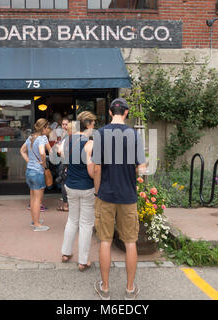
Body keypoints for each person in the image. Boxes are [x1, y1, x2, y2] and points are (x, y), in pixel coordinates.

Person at [92, 98, 146, 300]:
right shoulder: (134, 135)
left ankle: (105, 289)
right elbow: (141, 168)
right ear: (126, 113)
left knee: (105, 241)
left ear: (109, 112)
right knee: (131, 242)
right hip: (128, 195)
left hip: (106, 194)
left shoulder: (100, 134)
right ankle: (130, 290)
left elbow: (96, 168)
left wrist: (98, 191)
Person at [60, 111, 97, 271]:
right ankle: (83, 261)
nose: (94, 127)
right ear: (88, 124)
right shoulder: (90, 144)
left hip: (70, 186)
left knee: (72, 220)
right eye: (93, 124)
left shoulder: (68, 140)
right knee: (86, 224)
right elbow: (91, 172)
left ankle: (66, 253)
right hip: (86, 187)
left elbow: (61, 155)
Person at [20, 118, 51, 232]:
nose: (48, 129)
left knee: (33, 198)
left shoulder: (30, 138)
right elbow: (42, 152)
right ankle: (37, 224)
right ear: (43, 128)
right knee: (38, 199)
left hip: (29, 171)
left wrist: (29, 161)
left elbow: (22, 150)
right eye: (47, 127)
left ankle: (34, 220)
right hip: (37, 172)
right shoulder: (42, 139)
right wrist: (43, 163)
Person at [56, 120, 72, 212]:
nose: (65, 126)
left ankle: (66, 205)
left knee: (63, 183)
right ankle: (67, 203)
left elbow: (60, 152)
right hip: (65, 161)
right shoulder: (61, 135)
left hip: (66, 162)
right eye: (63, 124)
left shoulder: (68, 137)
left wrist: (59, 147)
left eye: (66, 124)